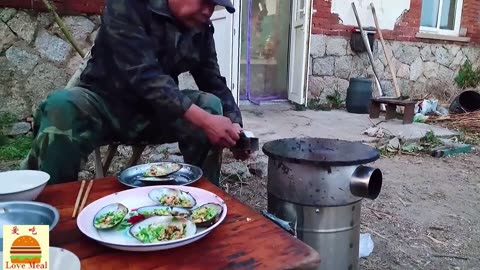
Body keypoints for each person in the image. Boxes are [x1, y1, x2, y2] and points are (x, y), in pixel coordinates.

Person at [20, 0, 251, 186]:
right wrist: (206, 121)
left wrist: (235, 128)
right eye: (205, 2)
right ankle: (51, 211)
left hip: (156, 115)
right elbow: (144, 77)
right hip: (103, 107)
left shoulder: (200, 30)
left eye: (214, 6)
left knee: (210, 104)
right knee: (62, 106)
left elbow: (213, 81)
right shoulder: (128, 6)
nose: (208, 11)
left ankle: (205, 203)